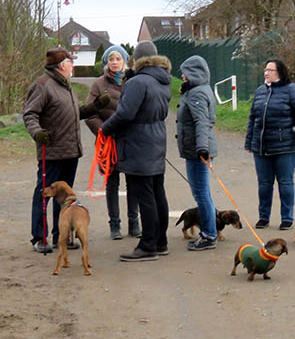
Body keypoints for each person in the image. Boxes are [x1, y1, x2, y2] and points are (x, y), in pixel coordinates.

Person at [24, 48, 109, 253]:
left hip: (70, 151)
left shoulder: (65, 85)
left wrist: (94, 107)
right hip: (52, 151)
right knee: (45, 193)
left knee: (65, 198)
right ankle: (39, 237)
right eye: (71, 62)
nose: (73, 65)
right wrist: (38, 133)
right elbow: (30, 114)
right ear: (62, 65)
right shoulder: (42, 86)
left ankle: (60, 236)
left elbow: (72, 113)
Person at [101, 40, 172, 262]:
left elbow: (125, 114)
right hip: (157, 140)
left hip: (137, 143)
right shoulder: (162, 81)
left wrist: (106, 129)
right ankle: (160, 241)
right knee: (157, 192)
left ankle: (148, 245)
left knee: (145, 195)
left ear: (137, 59)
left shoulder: (137, 82)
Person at [244, 59, 295, 230]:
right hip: (261, 146)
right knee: (264, 184)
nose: (266, 73)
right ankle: (263, 217)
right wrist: (250, 141)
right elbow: (253, 119)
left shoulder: (291, 90)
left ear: (280, 72)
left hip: (285, 146)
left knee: (285, 183)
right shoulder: (260, 91)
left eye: (270, 70)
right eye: (265, 70)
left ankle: (287, 218)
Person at [85, 44, 140, 240]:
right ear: (106, 63)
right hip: (109, 142)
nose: (114, 63)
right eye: (111, 59)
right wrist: (103, 131)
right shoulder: (98, 84)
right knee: (112, 183)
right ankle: (114, 225)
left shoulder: (134, 81)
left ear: (125, 61)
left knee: (134, 181)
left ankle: (134, 223)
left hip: (131, 140)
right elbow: (89, 114)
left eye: (118, 59)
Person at [176, 55, 219, 251]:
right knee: (201, 192)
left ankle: (209, 234)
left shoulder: (197, 94)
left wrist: (202, 148)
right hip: (195, 149)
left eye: (185, 72)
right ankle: (210, 231)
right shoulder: (197, 90)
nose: (182, 76)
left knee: (201, 193)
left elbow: (202, 122)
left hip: (197, 150)